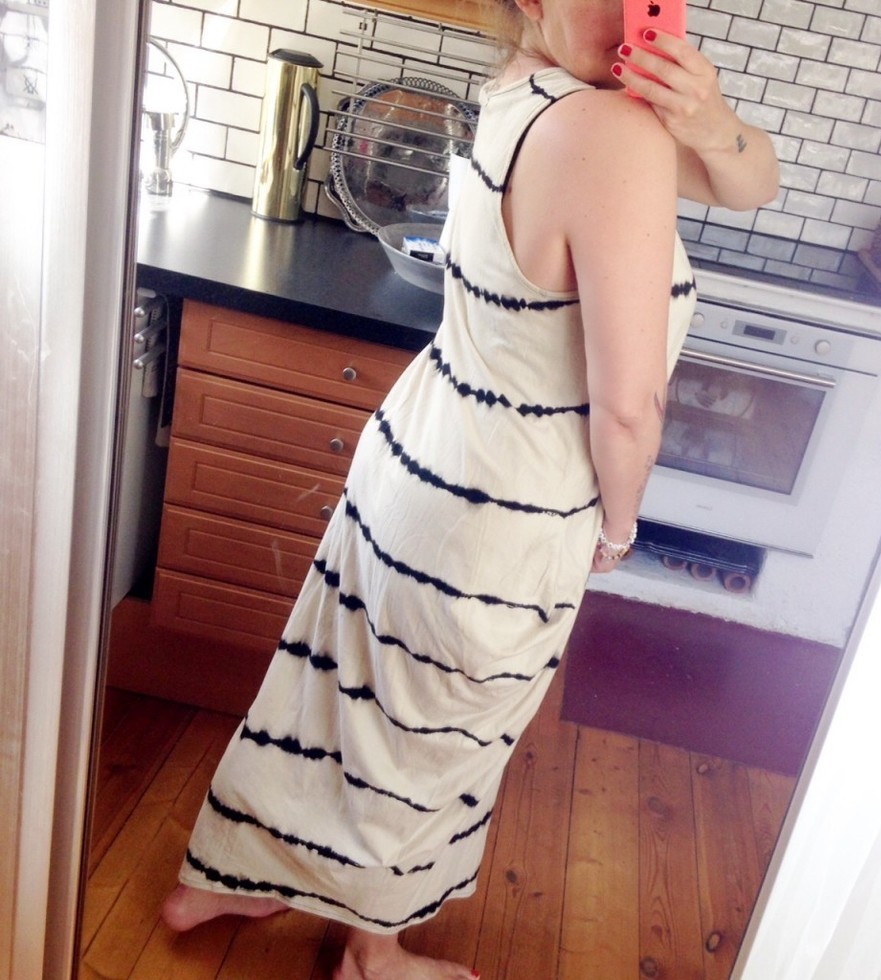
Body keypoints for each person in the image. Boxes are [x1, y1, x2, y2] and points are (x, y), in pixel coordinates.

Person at [160, 1, 778, 977]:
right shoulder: (611, 128)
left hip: (419, 454)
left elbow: (751, 184)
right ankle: (374, 955)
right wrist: (617, 527)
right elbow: (628, 409)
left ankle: (224, 875)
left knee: (342, 699)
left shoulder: (523, 87)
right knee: (430, 747)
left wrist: (711, 121)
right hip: (500, 512)